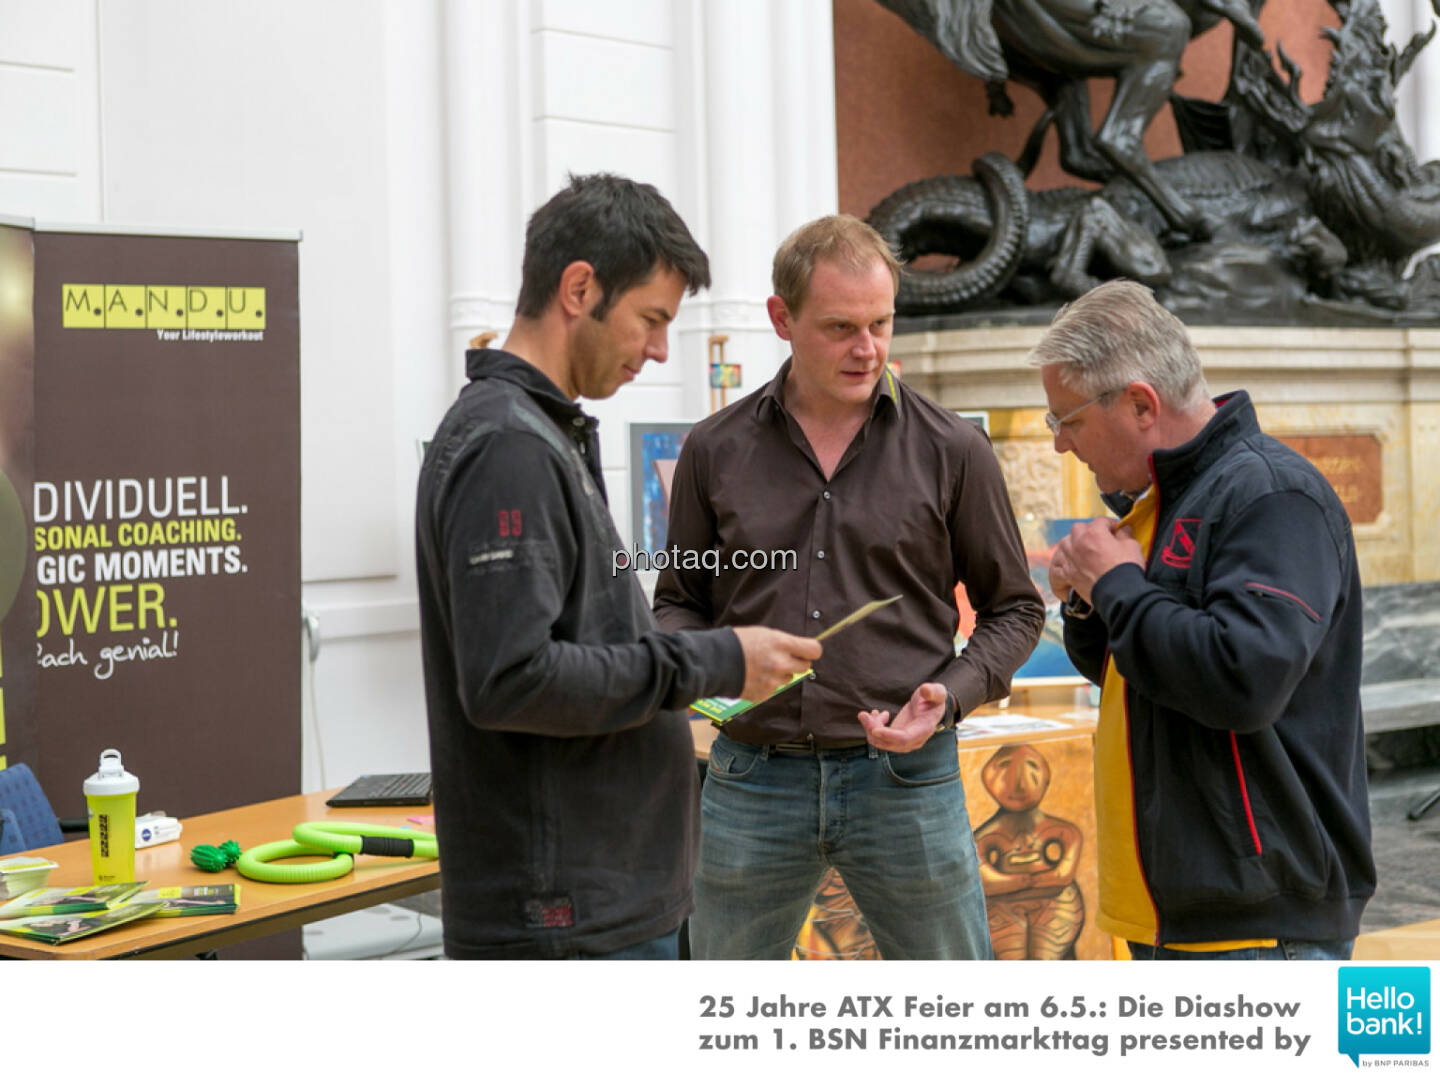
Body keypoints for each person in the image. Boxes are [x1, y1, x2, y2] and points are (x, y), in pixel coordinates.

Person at [414, 174, 822, 960]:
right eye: (652, 318)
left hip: (601, 903)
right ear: (579, 288)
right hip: (568, 921)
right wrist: (718, 659)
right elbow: (512, 679)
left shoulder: (539, 431)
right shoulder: (508, 446)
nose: (661, 348)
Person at [653, 214, 1045, 959]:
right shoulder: (713, 450)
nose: (866, 349)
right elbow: (677, 598)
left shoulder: (953, 449)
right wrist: (711, 661)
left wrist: (951, 692)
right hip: (751, 775)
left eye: (880, 324)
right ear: (782, 318)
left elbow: (1015, 607)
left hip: (907, 777)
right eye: (839, 327)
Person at [1033, 279, 1375, 960]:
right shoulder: (1165, 494)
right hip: (1182, 910)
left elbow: (1243, 677)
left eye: (1065, 419)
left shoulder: (1271, 494)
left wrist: (1119, 584)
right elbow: (1138, 671)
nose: (1060, 446)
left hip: (1259, 923)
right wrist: (1087, 599)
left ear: (1139, 403)